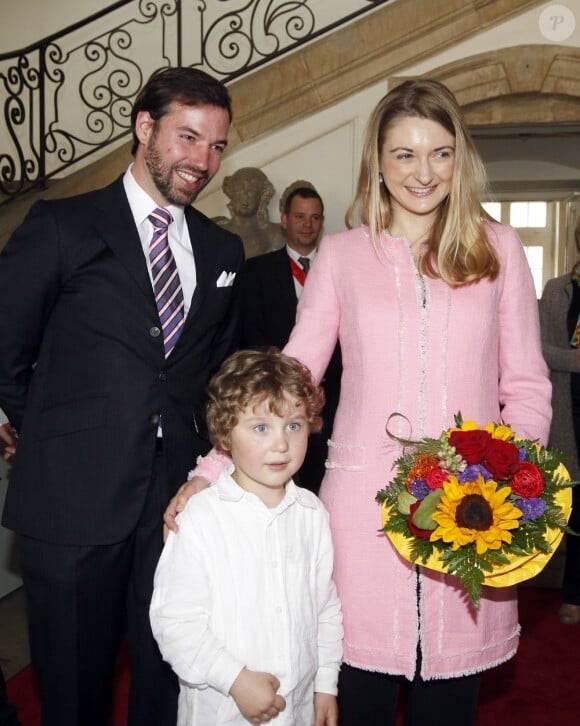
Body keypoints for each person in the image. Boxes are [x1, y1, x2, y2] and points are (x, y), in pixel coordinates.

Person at [165, 79, 552, 725]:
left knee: (448, 701)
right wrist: (213, 467)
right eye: (403, 154)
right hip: (365, 506)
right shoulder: (342, 257)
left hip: (474, 504)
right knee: (357, 691)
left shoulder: (499, 251)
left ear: (461, 158)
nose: (422, 172)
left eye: (439, 152)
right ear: (377, 160)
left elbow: (527, 386)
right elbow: (293, 373)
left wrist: (516, 478)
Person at [0, 66, 245, 726]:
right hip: (72, 505)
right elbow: (6, 348)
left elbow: (215, 375)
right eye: (188, 138)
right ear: (144, 128)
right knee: (74, 687)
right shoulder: (62, 225)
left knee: (170, 675)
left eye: (217, 145)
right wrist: (50, 437)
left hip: (178, 506)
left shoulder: (225, 248)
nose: (203, 161)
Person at [150, 349, 343, 725]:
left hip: (298, 711)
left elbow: (325, 608)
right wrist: (235, 679)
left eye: (294, 425)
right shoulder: (201, 518)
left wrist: (325, 685)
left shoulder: (312, 514)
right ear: (224, 434)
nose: (281, 443)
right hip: (223, 712)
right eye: (260, 428)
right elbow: (174, 622)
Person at [238, 185, 341, 493]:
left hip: (333, 405)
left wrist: (322, 405)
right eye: (299, 216)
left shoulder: (339, 269)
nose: (307, 225)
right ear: (284, 220)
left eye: (314, 217)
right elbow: (248, 337)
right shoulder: (256, 272)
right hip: (274, 403)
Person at [539, 218, 580, 625]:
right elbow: (543, 351)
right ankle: (572, 594)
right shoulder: (557, 290)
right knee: (573, 506)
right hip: (569, 409)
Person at [217, 167, 283, 258]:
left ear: (262, 197)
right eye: (240, 188)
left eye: (252, 191)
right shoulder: (217, 231)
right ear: (231, 191)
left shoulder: (275, 233)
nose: (245, 196)